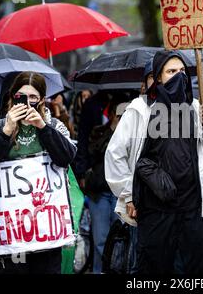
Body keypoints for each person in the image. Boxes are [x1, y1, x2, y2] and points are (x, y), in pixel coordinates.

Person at [105, 50, 203, 274]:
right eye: (171, 71)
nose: (179, 76)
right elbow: (115, 154)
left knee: (194, 270)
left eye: (182, 71)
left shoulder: (196, 107)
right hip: (155, 210)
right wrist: (129, 193)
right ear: (158, 78)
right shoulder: (139, 110)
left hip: (193, 210)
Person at [0, 71, 77, 274]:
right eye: (22, 97)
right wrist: (7, 130)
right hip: (12, 231)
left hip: (46, 230)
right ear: (12, 97)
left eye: (33, 97)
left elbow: (65, 157)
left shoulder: (54, 125)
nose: (28, 102)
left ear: (42, 99)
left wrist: (42, 127)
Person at [83, 95, 128, 274]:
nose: (122, 119)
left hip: (121, 193)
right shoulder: (99, 132)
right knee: (100, 239)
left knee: (119, 239)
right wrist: (113, 130)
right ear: (111, 115)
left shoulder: (133, 135)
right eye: (118, 115)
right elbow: (93, 152)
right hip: (99, 192)